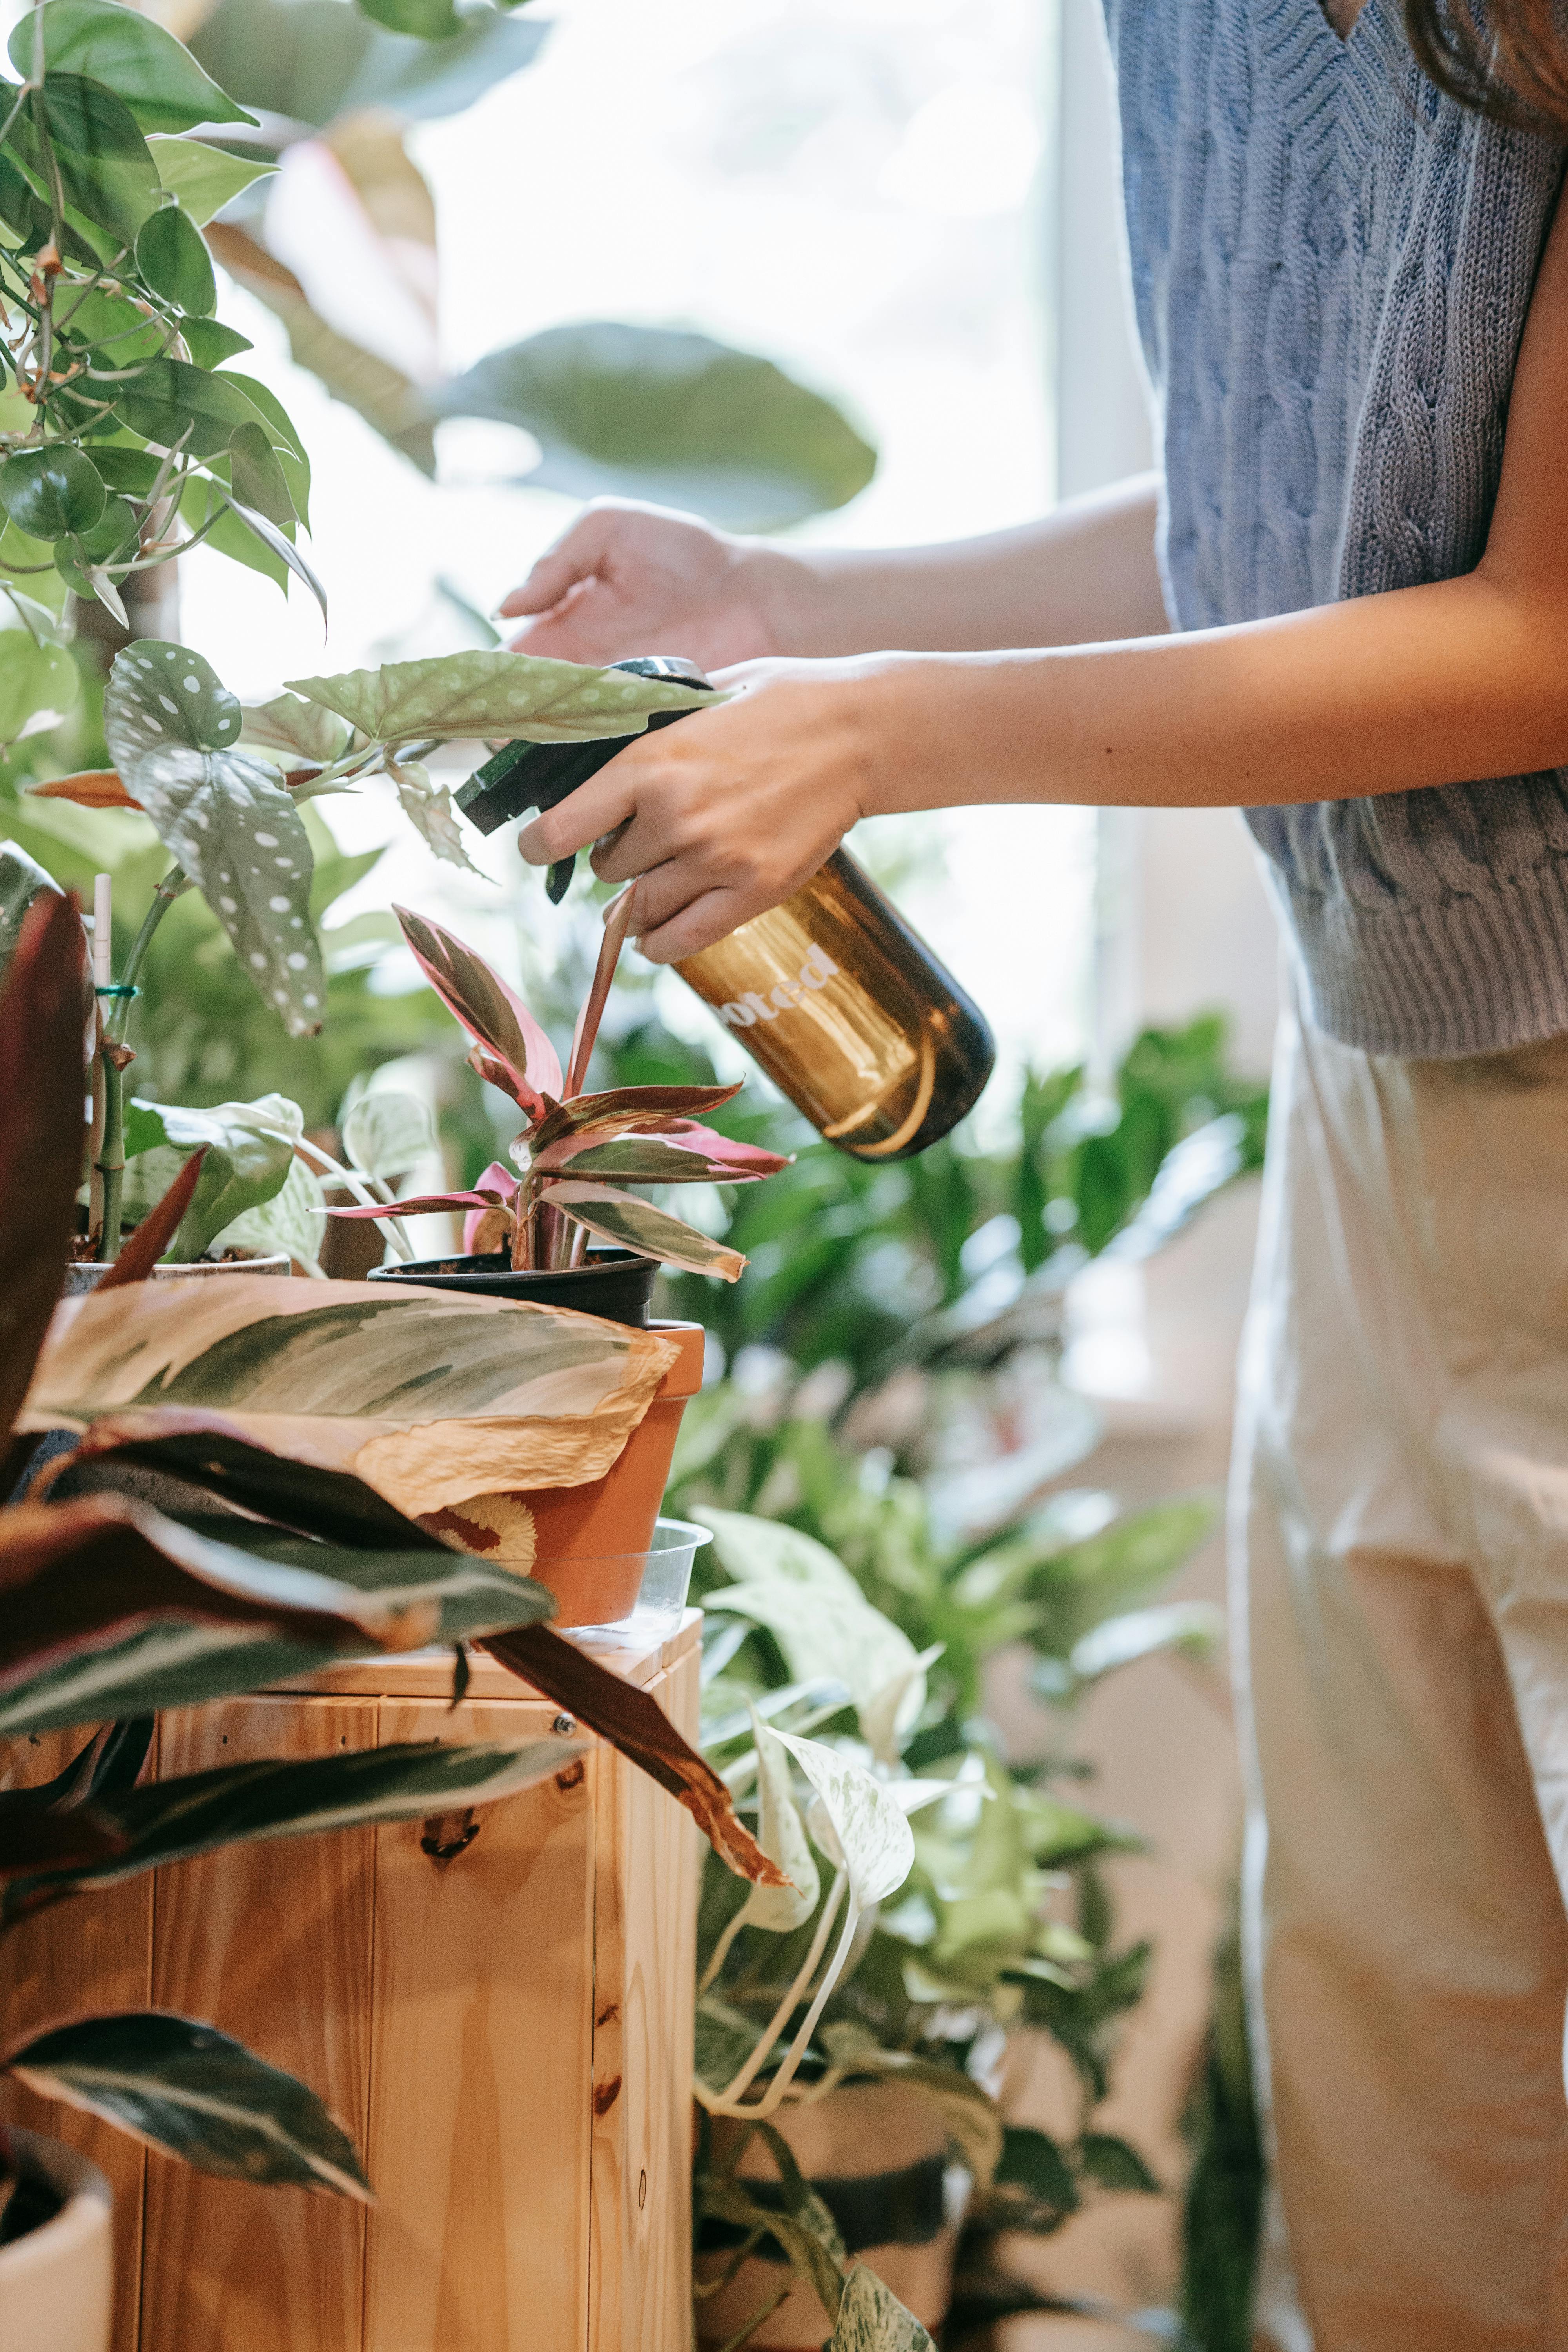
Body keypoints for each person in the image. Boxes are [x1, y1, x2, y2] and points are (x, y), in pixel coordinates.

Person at [500, 4, 1568, 2343]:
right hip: (1379, 1068)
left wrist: (887, 738)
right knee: (1409, 2059)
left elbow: (1541, 630)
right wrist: (796, 614)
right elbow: (1305, 503)